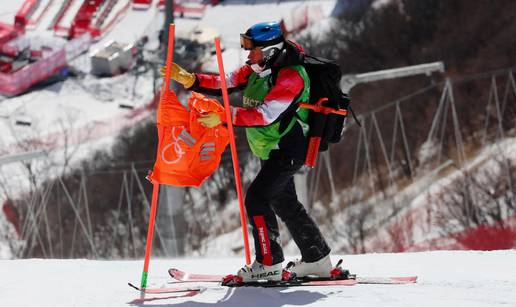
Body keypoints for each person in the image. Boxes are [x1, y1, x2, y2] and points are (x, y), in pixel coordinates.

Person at [166, 21, 332, 282]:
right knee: (283, 201)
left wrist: (224, 116)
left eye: (253, 50)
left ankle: (269, 263)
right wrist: (191, 79)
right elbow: (226, 82)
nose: (248, 55)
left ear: (270, 51)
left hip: (287, 146)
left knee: (257, 199)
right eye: (247, 49)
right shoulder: (258, 68)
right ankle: (317, 259)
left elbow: (265, 115)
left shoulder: (291, 77)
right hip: (270, 147)